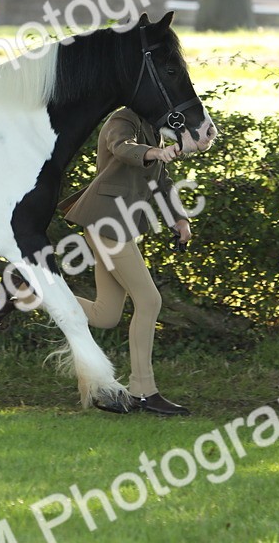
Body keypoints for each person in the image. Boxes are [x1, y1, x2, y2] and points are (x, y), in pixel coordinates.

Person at [58, 107, 193, 416]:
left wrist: (179, 219)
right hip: (106, 224)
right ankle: (143, 390)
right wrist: (154, 152)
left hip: (114, 227)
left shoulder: (150, 125)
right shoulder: (123, 120)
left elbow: (162, 182)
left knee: (105, 314)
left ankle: (29, 294)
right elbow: (121, 147)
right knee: (149, 301)